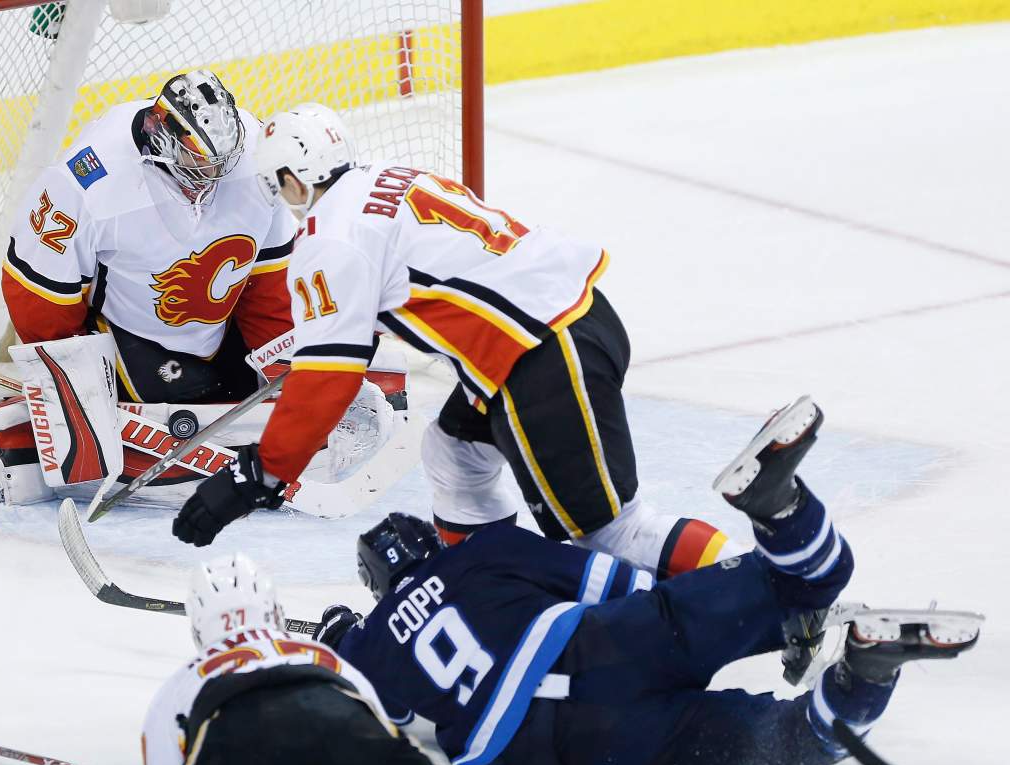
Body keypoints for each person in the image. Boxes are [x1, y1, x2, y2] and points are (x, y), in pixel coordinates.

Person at [171, 101, 753, 610]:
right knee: (453, 452)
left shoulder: (330, 237)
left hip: (540, 357)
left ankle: (775, 592)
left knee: (615, 532)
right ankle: (481, 596)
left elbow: (329, 378)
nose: (281, 196)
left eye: (279, 181)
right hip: (569, 324)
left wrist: (257, 477)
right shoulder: (393, 178)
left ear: (297, 179)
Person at [309, 400, 981, 765]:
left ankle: (869, 666)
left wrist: (335, 638)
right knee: (812, 578)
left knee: (790, 741)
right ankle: (776, 507)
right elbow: (616, 583)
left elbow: (378, 709)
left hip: (572, 742)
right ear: (431, 543)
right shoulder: (482, 550)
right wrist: (729, 610)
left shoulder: (374, 644)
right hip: (605, 645)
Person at [0, 71, 300, 504]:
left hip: (221, 326)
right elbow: (37, 295)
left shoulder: (255, 158)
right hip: (131, 340)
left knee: (261, 407)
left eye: (222, 162)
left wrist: (288, 372)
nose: (215, 175)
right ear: (163, 140)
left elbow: (269, 277)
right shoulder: (89, 179)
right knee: (174, 418)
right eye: (201, 163)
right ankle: (21, 432)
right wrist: (75, 393)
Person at [142, 552, 467, 765]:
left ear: (198, 628)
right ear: (275, 612)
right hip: (353, 736)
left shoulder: (180, 684)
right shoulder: (321, 654)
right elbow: (376, 717)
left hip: (236, 748)